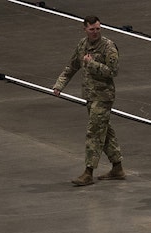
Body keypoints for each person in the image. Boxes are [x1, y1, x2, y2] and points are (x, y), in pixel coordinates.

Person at [53, 16, 124, 186]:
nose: (95, 32)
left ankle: (88, 172)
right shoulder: (82, 45)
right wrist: (59, 85)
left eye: (98, 29)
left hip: (103, 96)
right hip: (90, 96)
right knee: (104, 131)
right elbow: (72, 66)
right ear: (85, 29)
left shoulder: (108, 46)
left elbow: (113, 71)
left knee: (94, 132)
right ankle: (117, 167)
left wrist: (92, 64)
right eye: (92, 29)